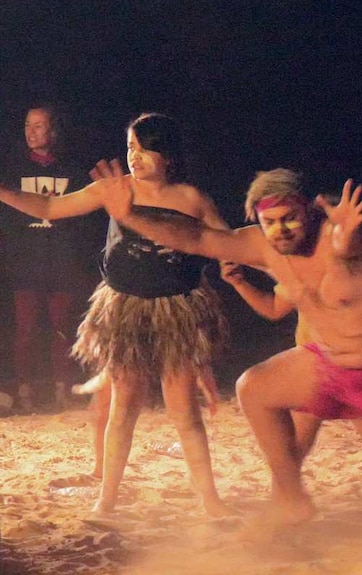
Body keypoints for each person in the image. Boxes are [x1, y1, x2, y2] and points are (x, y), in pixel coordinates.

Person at [98, 167, 362, 530]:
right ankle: (292, 498)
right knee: (253, 387)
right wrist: (130, 214)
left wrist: (348, 232)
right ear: (256, 220)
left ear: (309, 209)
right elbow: (195, 237)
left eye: (289, 218)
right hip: (336, 363)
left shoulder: (344, 235)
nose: (281, 230)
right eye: (269, 221)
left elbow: (345, 244)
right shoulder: (261, 245)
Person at [0, 113, 232, 517]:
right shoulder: (115, 189)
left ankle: (210, 499)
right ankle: (106, 498)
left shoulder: (191, 199)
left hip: (176, 310)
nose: (134, 157)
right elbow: (50, 207)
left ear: (169, 154)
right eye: (129, 148)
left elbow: (228, 245)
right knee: (123, 408)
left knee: (184, 411)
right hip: (127, 308)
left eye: (143, 149)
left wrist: (239, 268)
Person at [218, 259, 362, 523]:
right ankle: (281, 515)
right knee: (290, 454)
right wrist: (240, 283)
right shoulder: (301, 268)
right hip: (312, 375)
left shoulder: (348, 267)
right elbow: (275, 309)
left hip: (352, 371)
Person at [0, 103, 103, 411]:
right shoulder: (12, 168)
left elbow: (85, 219)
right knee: (25, 329)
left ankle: (64, 389)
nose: (32, 133)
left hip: (62, 262)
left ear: (54, 130)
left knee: (63, 327)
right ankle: (24, 390)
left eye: (39, 126)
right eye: (28, 126)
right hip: (26, 261)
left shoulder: (71, 169)